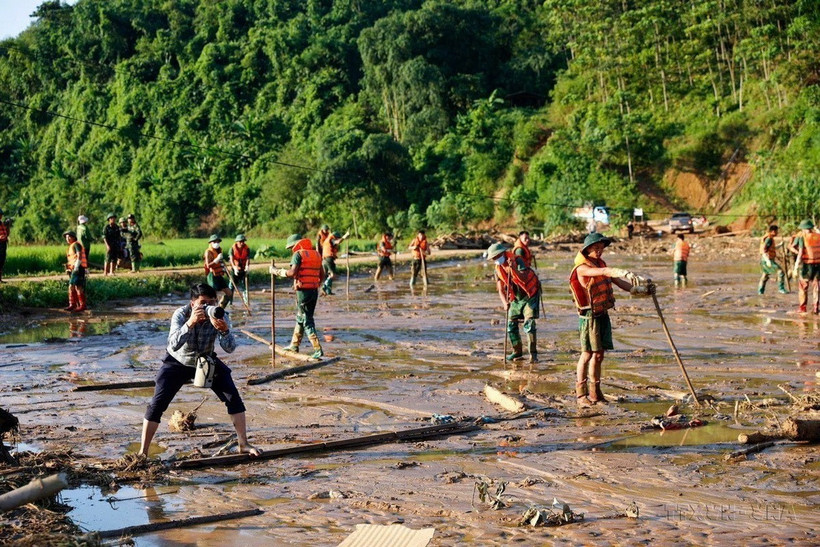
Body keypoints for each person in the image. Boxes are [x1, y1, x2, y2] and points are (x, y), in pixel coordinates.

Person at [138, 283, 260, 457]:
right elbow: (173, 344)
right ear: (193, 303)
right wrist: (190, 323)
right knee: (157, 404)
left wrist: (224, 331)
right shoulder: (181, 314)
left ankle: (244, 444)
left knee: (233, 398)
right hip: (178, 361)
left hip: (205, 359)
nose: (209, 306)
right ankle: (143, 452)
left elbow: (230, 348)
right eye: (204, 302)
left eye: (212, 302)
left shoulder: (221, 314)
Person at [569, 233, 654, 407]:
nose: (599, 251)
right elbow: (604, 272)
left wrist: (640, 290)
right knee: (587, 354)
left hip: (602, 313)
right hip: (588, 316)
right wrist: (622, 271)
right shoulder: (582, 268)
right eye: (596, 248)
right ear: (587, 250)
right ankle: (581, 395)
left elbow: (618, 282)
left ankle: (595, 393)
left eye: (601, 248)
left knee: (599, 355)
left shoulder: (601, 263)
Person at [270, 234, 325, 359]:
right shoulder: (316, 254)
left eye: (291, 248)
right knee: (300, 317)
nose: (291, 251)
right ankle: (294, 345)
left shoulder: (298, 255)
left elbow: (292, 273)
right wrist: (315, 283)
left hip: (303, 293)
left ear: (295, 245)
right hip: (313, 291)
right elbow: (322, 274)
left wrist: (277, 271)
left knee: (307, 320)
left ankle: (318, 349)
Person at [486, 242, 541, 363]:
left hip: (529, 294)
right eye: (493, 258)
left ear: (502, 254)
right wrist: (505, 303)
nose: (495, 260)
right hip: (515, 297)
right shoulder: (498, 269)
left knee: (529, 324)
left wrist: (513, 268)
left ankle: (533, 354)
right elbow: (500, 289)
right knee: (511, 325)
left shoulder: (518, 261)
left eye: (496, 257)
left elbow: (523, 278)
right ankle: (517, 351)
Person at [788, 219, 820, 314]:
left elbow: (800, 252)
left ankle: (802, 308)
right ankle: (816, 308)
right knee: (817, 286)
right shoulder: (818, 236)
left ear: (804, 229)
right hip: (818, 265)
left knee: (803, 286)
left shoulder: (802, 237)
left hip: (807, 265)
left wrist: (795, 267)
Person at [204, 235, 232, 308]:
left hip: (219, 275)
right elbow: (208, 265)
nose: (217, 243)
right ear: (210, 243)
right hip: (212, 275)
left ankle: (221, 308)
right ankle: (210, 309)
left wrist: (227, 272)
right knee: (213, 295)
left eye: (218, 242)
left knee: (229, 293)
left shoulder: (219, 251)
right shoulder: (208, 252)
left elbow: (222, 263)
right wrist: (216, 260)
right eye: (214, 242)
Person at [758, 225, 788, 295]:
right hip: (767, 259)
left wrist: (780, 245)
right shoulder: (769, 239)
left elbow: (771, 248)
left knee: (765, 276)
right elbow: (764, 250)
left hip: (765, 259)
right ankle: (781, 289)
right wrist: (767, 260)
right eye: (777, 231)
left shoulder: (769, 238)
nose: (777, 233)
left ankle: (760, 292)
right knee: (780, 272)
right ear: (773, 231)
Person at [63, 230, 88, 312]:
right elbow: (72, 259)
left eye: (69, 237)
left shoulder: (76, 244)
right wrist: (69, 268)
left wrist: (76, 266)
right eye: (66, 237)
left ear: (74, 237)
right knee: (72, 286)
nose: (67, 238)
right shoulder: (71, 246)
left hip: (78, 267)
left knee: (77, 286)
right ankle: (73, 304)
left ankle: (81, 305)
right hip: (74, 268)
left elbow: (79, 255)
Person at [321, 230, 350, 295]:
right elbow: (338, 242)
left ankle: (328, 291)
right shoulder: (332, 239)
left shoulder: (327, 240)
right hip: (329, 259)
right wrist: (344, 236)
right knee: (333, 275)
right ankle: (324, 287)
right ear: (335, 237)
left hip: (324, 260)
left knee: (329, 275)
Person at [230, 234, 251, 302]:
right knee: (231, 286)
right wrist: (234, 267)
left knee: (245, 286)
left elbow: (248, 258)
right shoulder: (232, 249)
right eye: (240, 241)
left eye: (243, 241)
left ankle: (246, 302)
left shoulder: (247, 248)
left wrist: (247, 266)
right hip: (235, 269)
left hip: (243, 269)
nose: (242, 243)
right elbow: (231, 259)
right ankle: (230, 302)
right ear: (237, 242)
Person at [0, 208, 10, 283]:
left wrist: (8, 226)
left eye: (1, 215)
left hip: (3, 244)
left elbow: (7, 234)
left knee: (1, 262)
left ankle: (0, 279)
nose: (1, 216)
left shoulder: (1, 224)